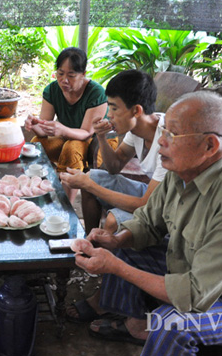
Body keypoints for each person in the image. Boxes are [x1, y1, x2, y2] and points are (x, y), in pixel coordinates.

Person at [72, 91, 222, 356]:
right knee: (124, 243)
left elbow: (195, 294)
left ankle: (151, 333)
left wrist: (114, 266)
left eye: (172, 135)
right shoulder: (183, 172)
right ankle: (135, 325)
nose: (161, 142)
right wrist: (117, 241)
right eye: (163, 130)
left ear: (210, 146)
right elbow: (147, 222)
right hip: (199, 270)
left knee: (171, 325)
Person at [61, 69, 168, 323]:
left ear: (136, 110)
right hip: (151, 193)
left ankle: (103, 301)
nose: (108, 115)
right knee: (96, 177)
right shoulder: (137, 128)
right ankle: (92, 245)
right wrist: (101, 136)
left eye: (114, 108)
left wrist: (90, 185)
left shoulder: (167, 143)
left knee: (113, 219)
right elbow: (114, 166)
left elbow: (146, 206)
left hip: (163, 208)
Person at [24, 47, 117, 203]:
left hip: (97, 142)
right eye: (60, 74)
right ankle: (36, 193)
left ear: (83, 74)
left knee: (72, 148)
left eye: (71, 75)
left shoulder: (96, 93)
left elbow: (86, 132)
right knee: (37, 144)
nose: (64, 80)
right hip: (67, 136)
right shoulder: (52, 90)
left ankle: (66, 205)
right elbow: (43, 131)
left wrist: (61, 129)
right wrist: (34, 125)